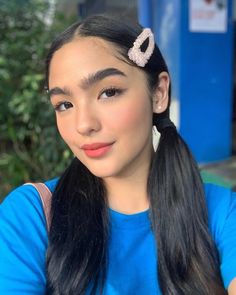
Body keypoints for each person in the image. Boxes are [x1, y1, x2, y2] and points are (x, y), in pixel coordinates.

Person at [0, 14, 236, 295]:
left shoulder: (220, 211)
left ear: (159, 93)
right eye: (64, 104)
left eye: (108, 92)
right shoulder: (31, 216)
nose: (83, 124)